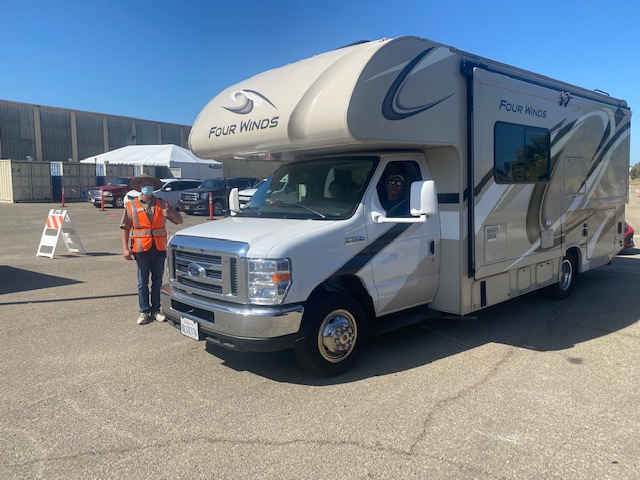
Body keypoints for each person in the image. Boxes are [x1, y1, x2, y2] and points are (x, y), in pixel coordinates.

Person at [120, 173, 183, 325]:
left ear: (154, 187)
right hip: (141, 249)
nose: (146, 186)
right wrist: (125, 248)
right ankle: (144, 310)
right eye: (144, 184)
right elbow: (125, 227)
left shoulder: (162, 203)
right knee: (142, 282)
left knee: (157, 282)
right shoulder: (131, 205)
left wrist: (172, 213)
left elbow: (179, 221)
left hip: (159, 248)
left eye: (149, 183)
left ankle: (156, 310)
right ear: (139, 187)